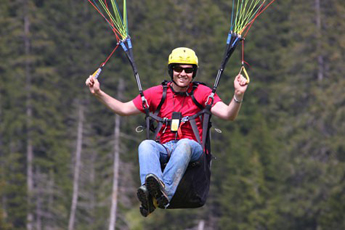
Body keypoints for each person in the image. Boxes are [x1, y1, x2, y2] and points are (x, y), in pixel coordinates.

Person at [85, 47, 248, 217]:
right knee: (146, 145)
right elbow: (123, 109)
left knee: (184, 144)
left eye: (188, 70)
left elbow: (229, 114)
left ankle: (164, 192)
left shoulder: (202, 93)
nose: (183, 73)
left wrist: (238, 95)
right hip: (166, 149)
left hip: (194, 150)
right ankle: (150, 194)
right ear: (171, 70)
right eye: (178, 69)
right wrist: (98, 93)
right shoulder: (158, 94)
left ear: (194, 72)